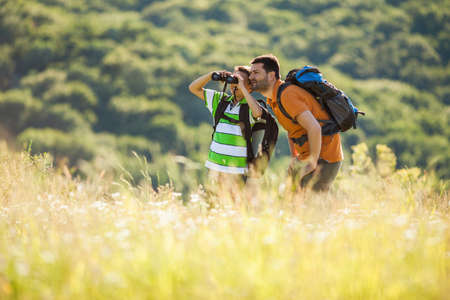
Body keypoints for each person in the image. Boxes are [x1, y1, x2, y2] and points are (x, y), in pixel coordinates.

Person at [249, 54, 343, 191]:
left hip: (324, 158)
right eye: (251, 73)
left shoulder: (287, 95)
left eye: (256, 73)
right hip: (308, 156)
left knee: (310, 207)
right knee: (294, 202)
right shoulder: (274, 99)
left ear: (271, 76)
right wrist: (295, 157)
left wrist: (312, 162)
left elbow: (314, 128)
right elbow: (292, 129)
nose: (251, 77)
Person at [188, 66, 264, 183]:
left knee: (234, 201)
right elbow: (193, 88)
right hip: (214, 166)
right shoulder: (220, 101)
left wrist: (242, 87)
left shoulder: (249, 106)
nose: (235, 84)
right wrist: (211, 75)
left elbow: (258, 112)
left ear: (250, 87)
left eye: (240, 81)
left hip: (237, 170)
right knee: (213, 201)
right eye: (234, 80)